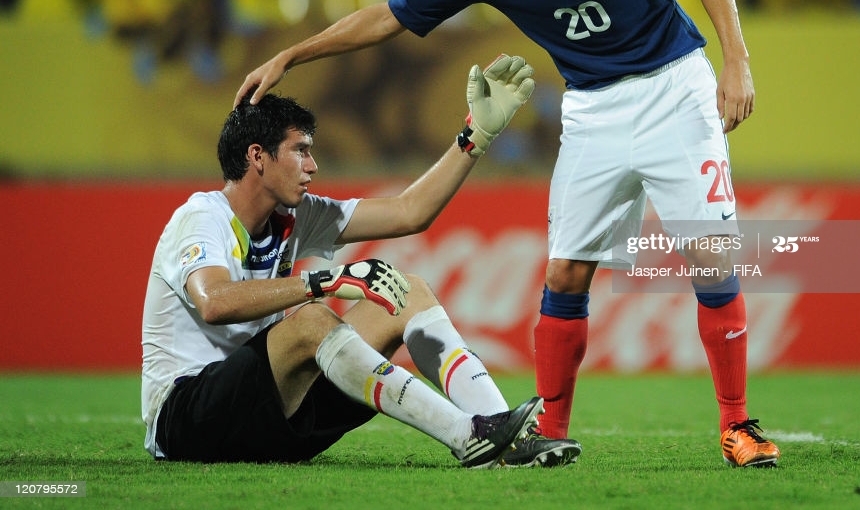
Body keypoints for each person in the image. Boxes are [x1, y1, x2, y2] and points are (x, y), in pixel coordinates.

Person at [235, 0, 779, 468]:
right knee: (566, 271)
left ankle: (737, 425)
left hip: (674, 88)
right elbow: (389, 16)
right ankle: (550, 431)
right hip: (592, 110)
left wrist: (736, 61)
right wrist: (292, 54)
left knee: (712, 257)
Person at [143, 54, 583, 468]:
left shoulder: (297, 214)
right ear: (257, 156)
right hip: (186, 419)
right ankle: (466, 436)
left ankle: (506, 437)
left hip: (269, 415)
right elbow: (215, 302)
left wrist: (476, 137)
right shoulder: (202, 217)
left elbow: (409, 211)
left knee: (408, 290)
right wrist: (325, 282)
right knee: (312, 319)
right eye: (300, 150)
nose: (312, 165)